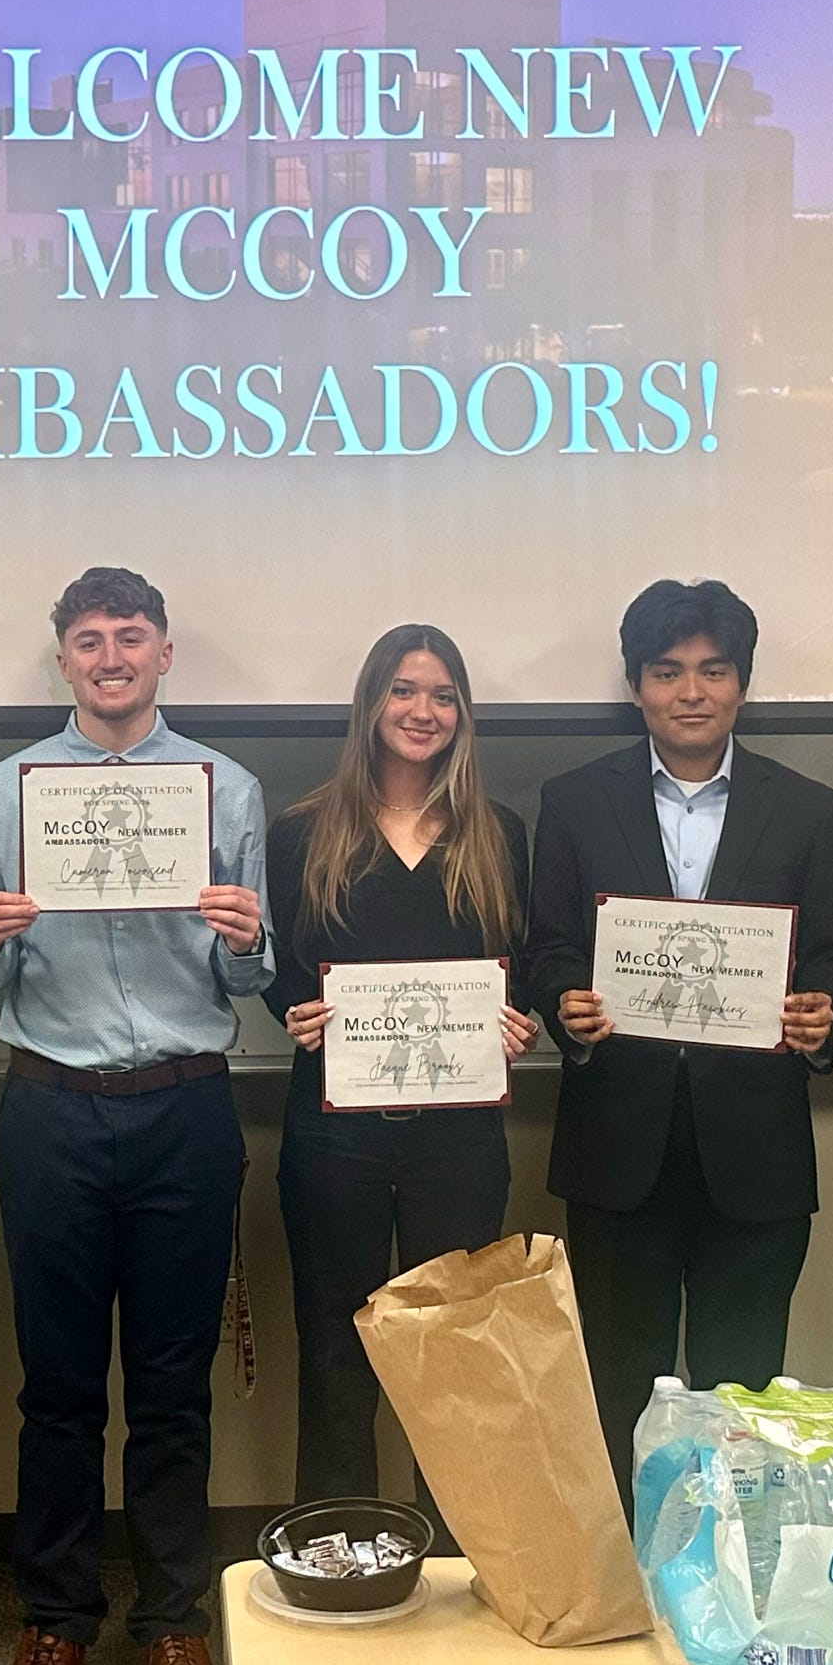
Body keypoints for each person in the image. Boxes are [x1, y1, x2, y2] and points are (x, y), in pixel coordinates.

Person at [0, 567, 271, 1665]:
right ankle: (55, 1619)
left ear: (164, 653)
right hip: (51, 1108)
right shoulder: (8, 792)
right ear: (62, 660)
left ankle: (172, 1620)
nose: (108, 656)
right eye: (86, 640)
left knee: (173, 1386)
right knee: (57, 1388)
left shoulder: (223, 788)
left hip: (186, 1102)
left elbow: (251, 976)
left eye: (128, 637)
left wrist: (241, 939)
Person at [522, 578, 833, 1510]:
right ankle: (623, 1584)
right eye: (668, 670)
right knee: (618, 1381)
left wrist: (821, 1014)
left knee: (742, 1386)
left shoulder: (806, 808)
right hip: (616, 1142)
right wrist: (566, 1002)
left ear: (741, 685)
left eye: (713, 670)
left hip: (753, 1148)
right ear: (638, 685)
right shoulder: (575, 799)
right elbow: (546, 944)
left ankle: (734, 1574)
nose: (691, 690)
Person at [262, 625, 536, 1517]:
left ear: (463, 714)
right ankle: (337, 1550)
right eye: (404, 690)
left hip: (458, 1139)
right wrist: (293, 1013)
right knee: (337, 1354)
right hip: (333, 1135)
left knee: (452, 1355)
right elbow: (282, 978)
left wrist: (515, 1019)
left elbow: (516, 969)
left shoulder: (498, 833)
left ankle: (457, 1562)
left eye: (443, 694)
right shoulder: (304, 832)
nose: (423, 711)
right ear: (371, 703)